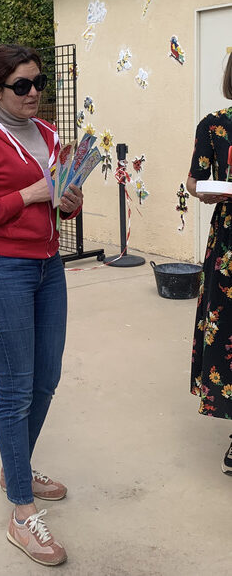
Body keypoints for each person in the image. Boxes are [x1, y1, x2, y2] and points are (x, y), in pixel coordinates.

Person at [0, 44, 83, 566]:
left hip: (50, 267)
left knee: (46, 378)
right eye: (21, 86)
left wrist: (68, 202)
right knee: (16, 388)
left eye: (38, 83)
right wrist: (29, 195)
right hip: (3, 269)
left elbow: (62, 207)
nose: (33, 93)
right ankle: (21, 512)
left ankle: (17, 468)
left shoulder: (49, 135)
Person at [186, 51, 232, 477]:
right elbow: (194, 181)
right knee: (229, 328)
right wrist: (208, 191)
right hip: (230, 245)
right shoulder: (214, 125)